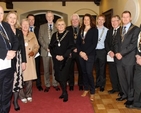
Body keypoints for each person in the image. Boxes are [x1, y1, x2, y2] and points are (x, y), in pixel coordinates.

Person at [115, 11, 140, 106]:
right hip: (119, 59)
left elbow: (133, 45)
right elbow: (116, 43)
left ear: (131, 18)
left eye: (127, 17)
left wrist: (121, 53)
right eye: (123, 17)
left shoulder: (136, 29)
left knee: (130, 80)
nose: (125, 19)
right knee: (122, 79)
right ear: (121, 19)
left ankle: (131, 97)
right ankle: (125, 94)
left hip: (129, 59)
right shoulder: (119, 29)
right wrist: (117, 53)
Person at [5, 11, 26, 111]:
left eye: (14, 18)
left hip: (18, 59)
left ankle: (15, 101)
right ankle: (6, 101)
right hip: (6, 59)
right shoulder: (2, 30)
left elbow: (22, 47)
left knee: (17, 81)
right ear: (7, 18)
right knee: (7, 81)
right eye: (10, 17)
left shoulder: (19, 31)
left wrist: (24, 61)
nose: (12, 20)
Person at [49, 18, 74, 102]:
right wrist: (55, 55)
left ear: (65, 25)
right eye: (59, 24)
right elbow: (51, 47)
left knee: (63, 76)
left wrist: (63, 56)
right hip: (56, 59)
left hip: (66, 59)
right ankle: (63, 91)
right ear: (56, 26)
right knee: (58, 76)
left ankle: (65, 93)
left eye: (62, 24)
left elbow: (71, 46)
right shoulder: (54, 35)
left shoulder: (69, 34)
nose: (60, 26)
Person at [0, 6, 19, 113]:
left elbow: (15, 40)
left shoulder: (6, 25)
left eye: (2, 13)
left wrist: (13, 51)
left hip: (9, 65)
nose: (0, 15)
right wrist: (5, 53)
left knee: (7, 93)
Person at [77, 13, 98, 101]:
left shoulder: (94, 30)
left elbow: (94, 44)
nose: (86, 21)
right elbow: (78, 42)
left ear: (91, 20)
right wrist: (81, 52)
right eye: (84, 19)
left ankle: (92, 92)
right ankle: (86, 89)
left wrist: (85, 53)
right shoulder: (81, 29)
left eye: (87, 19)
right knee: (84, 72)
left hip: (90, 55)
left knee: (89, 72)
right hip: (81, 54)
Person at [19, 18, 39, 103]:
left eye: (27, 24)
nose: (25, 26)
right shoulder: (17, 34)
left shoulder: (32, 34)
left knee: (29, 79)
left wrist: (34, 52)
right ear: (20, 25)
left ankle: (28, 94)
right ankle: (22, 96)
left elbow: (37, 46)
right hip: (20, 59)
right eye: (24, 24)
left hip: (30, 59)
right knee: (20, 79)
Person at [39, 11, 60, 92]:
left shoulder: (57, 26)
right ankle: (47, 84)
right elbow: (40, 38)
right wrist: (46, 47)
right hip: (45, 51)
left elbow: (59, 38)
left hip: (55, 51)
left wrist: (53, 48)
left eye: (51, 16)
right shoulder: (42, 26)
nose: (49, 18)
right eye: (48, 16)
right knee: (46, 69)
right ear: (46, 17)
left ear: (53, 17)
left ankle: (55, 83)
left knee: (55, 68)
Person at [66, 13, 83, 91]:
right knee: (70, 69)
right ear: (71, 21)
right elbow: (67, 41)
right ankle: (71, 84)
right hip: (70, 52)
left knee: (81, 69)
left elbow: (85, 41)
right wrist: (73, 48)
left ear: (79, 20)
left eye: (76, 19)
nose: (75, 21)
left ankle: (80, 84)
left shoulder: (83, 28)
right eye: (73, 19)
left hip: (80, 52)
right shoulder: (67, 29)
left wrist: (78, 49)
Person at [105, 15, 121, 94]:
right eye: (112, 21)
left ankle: (121, 90)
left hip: (119, 56)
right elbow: (106, 43)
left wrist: (116, 53)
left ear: (119, 21)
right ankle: (114, 88)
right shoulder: (109, 31)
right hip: (110, 56)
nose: (114, 22)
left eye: (116, 20)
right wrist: (109, 51)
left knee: (120, 74)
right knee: (112, 73)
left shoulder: (122, 31)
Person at [27, 14, 43, 91]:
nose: (31, 21)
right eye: (29, 19)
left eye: (32, 19)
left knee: (37, 68)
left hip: (37, 53)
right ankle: (26, 84)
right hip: (27, 54)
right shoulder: (23, 29)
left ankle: (38, 84)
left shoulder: (38, 29)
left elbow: (39, 40)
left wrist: (36, 51)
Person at [126, 32, 141, 109]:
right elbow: (138, 47)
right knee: (137, 83)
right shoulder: (139, 32)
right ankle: (137, 103)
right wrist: (138, 56)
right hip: (139, 62)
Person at [94, 14, 108, 92]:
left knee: (102, 69)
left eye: (102, 19)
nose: (100, 21)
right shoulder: (93, 29)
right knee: (97, 69)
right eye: (99, 19)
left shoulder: (107, 30)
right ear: (97, 20)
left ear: (104, 21)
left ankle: (102, 84)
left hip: (102, 51)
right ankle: (97, 83)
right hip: (94, 51)